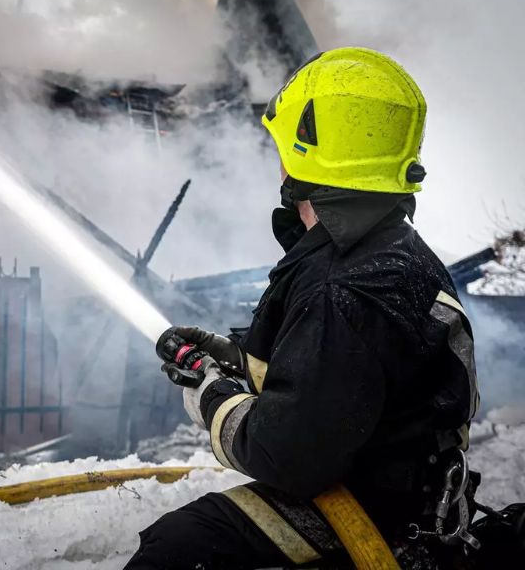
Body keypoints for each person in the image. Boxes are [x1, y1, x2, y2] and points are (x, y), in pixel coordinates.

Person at [125, 47, 479, 569]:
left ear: (307, 150)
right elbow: (336, 379)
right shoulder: (393, 249)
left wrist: (209, 392)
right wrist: (236, 358)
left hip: (375, 516)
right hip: (413, 497)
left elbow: (284, 456)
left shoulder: (342, 287)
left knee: (178, 548)